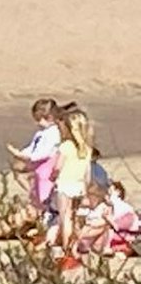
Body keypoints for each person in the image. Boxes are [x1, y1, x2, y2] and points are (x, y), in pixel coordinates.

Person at [49, 104, 95, 252]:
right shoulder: (87, 149)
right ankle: (76, 246)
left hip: (65, 185)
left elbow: (58, 167)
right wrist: (86, 187)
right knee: (75, 217)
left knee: (65, 216)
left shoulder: (66, 146)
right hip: (79, 185)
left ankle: (67, 246)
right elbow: (87, 172)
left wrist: (53, 176)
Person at [7, 97, 61, 216]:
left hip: (47, 167)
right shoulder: (41, 133)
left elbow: (44, 152)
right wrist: (22, 153)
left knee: (46, 194)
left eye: (38, 119)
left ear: (48, 118)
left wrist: (27, 156)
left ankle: (48, 214)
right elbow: (33, 147)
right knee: (37, 190)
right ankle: (43, 212)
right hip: (39, 169)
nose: (37, 123)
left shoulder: (54, 133)